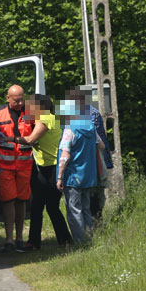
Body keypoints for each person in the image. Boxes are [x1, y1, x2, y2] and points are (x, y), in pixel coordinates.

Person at [9, 94, 72, 250]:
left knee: (45, 206)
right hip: (45, 168)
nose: (27, 109)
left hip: (50, 169)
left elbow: (30, 140)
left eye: (30, 106)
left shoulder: (45, 119)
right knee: (43, 206)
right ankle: (59, 240)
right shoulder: (53, 118)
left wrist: (10, 139)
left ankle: (55, 240)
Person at [0, 84, 34, 252]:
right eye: (16, 100)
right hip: (4, 165)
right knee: (8, 201)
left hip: (24, 164)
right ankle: (9, 240)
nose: (20, 103)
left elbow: (40, 130)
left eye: (22, 100)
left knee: (22, 201)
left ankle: (20, 238)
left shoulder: (30, 112)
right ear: (8, 98)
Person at [56, 93, 103, 245]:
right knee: (86, 209)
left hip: (73, 176)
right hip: (88, 175)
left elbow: (65, 156)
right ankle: (89, 237)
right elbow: (101, 146)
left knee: (74, 210)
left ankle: (80, 243)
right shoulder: (90, 127)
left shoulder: (69, 130)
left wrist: (59, 176)